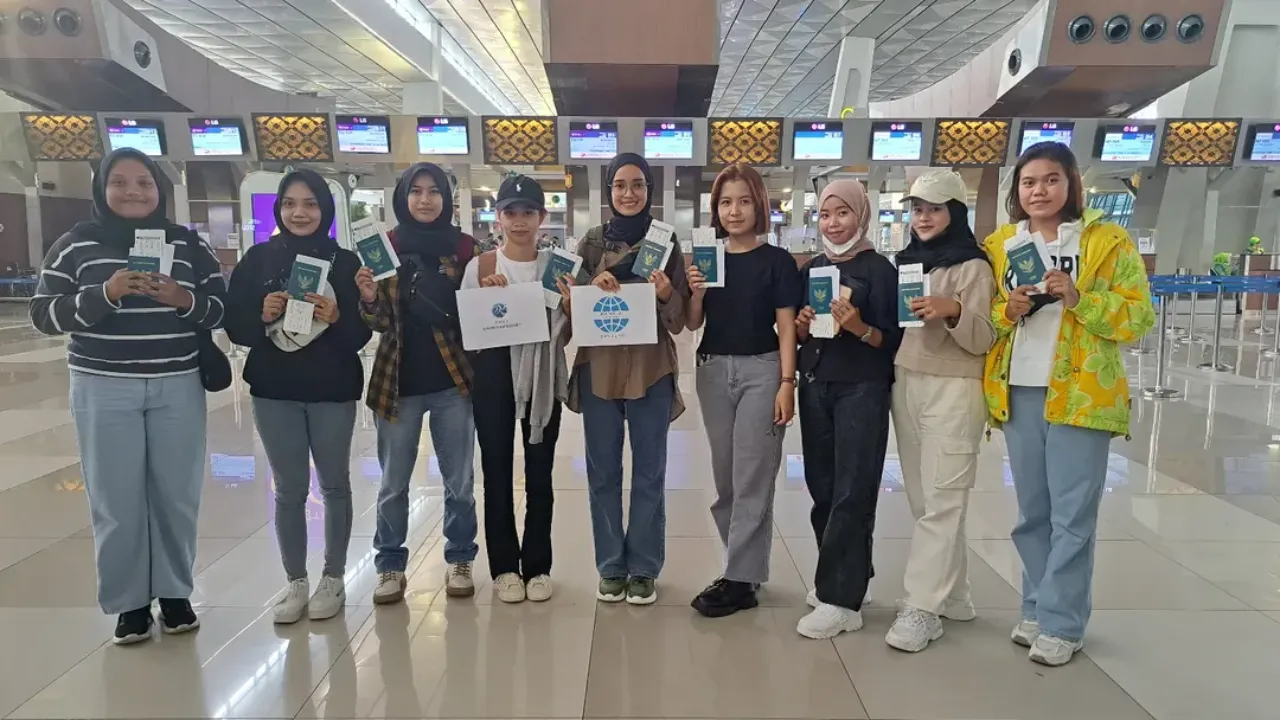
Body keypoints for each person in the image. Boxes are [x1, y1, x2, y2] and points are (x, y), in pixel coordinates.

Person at [30, 148, 227, 644]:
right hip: (103, 385)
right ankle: (129, 602)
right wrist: (107, 293)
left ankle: (175, 593)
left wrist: (182, 299)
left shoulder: (187, 245)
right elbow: (43, 314)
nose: (133, 191)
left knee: (176, 495)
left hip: (177, 383)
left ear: (160, 189)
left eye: (144, 182)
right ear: (101, 189)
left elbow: (221, 309)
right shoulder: (75, 246)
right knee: (115, 498)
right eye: (119, 182)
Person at [984, 142, 1153, 666]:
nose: (1039, 191)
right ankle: (1036, 607)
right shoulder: (1001, 244)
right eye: (1029, 182)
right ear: (1017, 190)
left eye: (1051, 180)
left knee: (1073, 513)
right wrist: (1008, 309)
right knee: (1032, 512)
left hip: (1083, 391)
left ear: (1071, 183)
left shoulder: (1105, 241)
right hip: (1019, 388)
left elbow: (1138, 317)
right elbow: (987, 317)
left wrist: (1079, 297)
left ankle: (1063, 622)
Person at [224, 170, 371, 624]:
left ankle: (333, 577)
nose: (299, 213)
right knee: (288, 489)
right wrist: (260, 313)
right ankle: (295, 581)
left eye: (310, 204)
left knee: (335, 485)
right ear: (279, 209)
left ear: (325, 209)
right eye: (290, 204)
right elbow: (235, 325)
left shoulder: (345, 263)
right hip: (275, 390)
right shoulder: (258, 260)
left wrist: (340, 315)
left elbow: (360, 335)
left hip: (332, 390)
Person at [567, 152, 689, 606]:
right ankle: (611, 566)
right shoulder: (591, 243)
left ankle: (643, 567)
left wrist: (665, 293)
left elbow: (679, 320)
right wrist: (585, 289)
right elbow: (569, 306)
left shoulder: (665, 241)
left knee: (649, 472)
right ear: (609, 191)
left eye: (638, 184)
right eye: (620, 185)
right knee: (602, 471)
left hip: (650, 369)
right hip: (599, 370)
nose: (629, 193)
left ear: (649, 190)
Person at [883, 170, 996, 652]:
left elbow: (983, 338)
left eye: (933, 209)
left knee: (944, 498)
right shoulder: (906, 262)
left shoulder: (974, 268)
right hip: (907, 380)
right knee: (923, 499)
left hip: (955, 388)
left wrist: (954, 311)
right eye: (917, 209)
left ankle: (921, 607)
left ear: (955, 212)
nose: (923, 218)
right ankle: (954, 595)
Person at [357, 162, 478, 604]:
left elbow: (478, 311)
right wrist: (368, 298)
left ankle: (460, 557)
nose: (425, 200)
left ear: (446, 198)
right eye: (416, 191)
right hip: (397, 381)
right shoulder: (384, 247)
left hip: (453, 380)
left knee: (459, 480)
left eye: (434, 191)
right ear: (402, 197)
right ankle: (389, 565)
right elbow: (378, 322)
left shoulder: (465, 248)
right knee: (393, 482)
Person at [684, 163, 800, 617]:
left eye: (744, 201)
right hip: (713, 370)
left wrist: (787, 383)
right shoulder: (707, 257)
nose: (734, 211)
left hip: (762, 370)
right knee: (726, 479)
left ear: (759, 206)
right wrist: (695, 291)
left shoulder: (777, 262)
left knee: (753, 476)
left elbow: (786, 328)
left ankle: (738, 579)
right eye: (726, 203)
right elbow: (693, 323)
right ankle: (742, 569)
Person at [794, 179, 901, 639]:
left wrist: (859, 327)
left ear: (862, 215)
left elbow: (892, 339)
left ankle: (841, 600)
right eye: (825, 214)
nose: (833, 223)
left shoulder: (880, 270)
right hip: (817, 383)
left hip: (862, 387)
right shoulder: (815, 268)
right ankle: (847, 575)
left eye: (843, 213)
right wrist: (802, 326)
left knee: (853, 489)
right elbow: (802, 331)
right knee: (823, 486)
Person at [461, 175, 571, 603]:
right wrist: (488, 300)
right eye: (511, 212)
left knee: (540, 471)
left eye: (528, 212)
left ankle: (538, 565)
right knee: (497, 471)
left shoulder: (557, 267)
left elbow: (568, 330)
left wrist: (570, 304)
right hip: (493, 373)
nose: (519, 221)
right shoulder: (481, 267)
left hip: (542, 375)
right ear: (499, 217)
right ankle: (505, 567)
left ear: (542, 217)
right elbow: (470, 330)